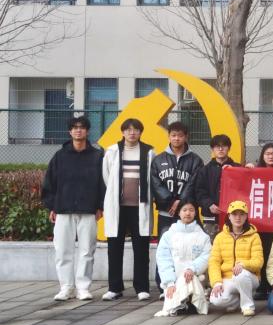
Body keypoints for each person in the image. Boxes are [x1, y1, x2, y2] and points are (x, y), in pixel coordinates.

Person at [43, 115, 105, 301]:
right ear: (69, 132)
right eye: (75, 127)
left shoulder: (97, 156)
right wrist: (52, 206)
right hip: (63, 209)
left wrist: (100, 206)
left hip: (89, 210)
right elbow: (49, 183)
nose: (78, 130)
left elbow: (103, 183)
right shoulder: (60, 156)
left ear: (87, 131)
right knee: (63, 251)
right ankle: (66, 287)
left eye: (82, 127)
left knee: (87, 250)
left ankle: (83, 288)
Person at [101, 118, 155, 302]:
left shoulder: (149, 152)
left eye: (136, 130)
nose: (132, 133)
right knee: (114, 247)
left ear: (141, 132)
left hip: (140, 207)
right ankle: (114, 287)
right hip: (118, 207)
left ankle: (142, 287)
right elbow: (107, 176)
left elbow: (151, 178)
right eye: (128, 130)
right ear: (123, 132)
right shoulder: (112, 151)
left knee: (141, 248)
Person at [151, 121, 205, 292]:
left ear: (186, 137)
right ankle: (164, 286)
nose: (176, 138)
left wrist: (179, 202)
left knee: (190, 248)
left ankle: (189, 284)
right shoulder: (158, 159)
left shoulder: (195, 160)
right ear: (169, 136)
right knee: (165, 248)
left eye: (180, 135)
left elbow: (193, 183)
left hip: (187, 212)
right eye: (173, 135)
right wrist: (169, 201)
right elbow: (156, 184)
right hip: (166, 212)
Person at [154, 200, 211, 317]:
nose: (188, 213)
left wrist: (192, 269)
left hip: (195, 277)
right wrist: (169, 282)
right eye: (184, 210)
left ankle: (191, 302)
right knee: (177, 291)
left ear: (195, 213)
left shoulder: (203, 236)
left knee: (192, 281)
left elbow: (206, 256)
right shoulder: (168, 235)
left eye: (191, 210)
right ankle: (181, 303)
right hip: (175, 280)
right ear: (178, 213)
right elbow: (163, 260)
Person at [245, 142, 273, 298]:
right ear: (262, 156)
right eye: (267, 154)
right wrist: (246, 170)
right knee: (261, 252)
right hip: (260, 222)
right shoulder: (255, 171)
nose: (270, 156)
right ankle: (262, 285)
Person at [209, 200, 264, 316]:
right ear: (229, 216)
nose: (238, 218)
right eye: (234, 214)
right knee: (215, 299)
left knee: (241, 274)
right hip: (228, 278)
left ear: (246, 216)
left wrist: (243, 265)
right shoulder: (220, 237)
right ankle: (237, 301)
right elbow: (214, 262)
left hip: (249, 277)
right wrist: (217, 282)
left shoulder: (254, 236)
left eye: (241, 214)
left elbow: (259, 262)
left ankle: (247, 306)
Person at [194, 134, 239, 237]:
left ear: (229, 148)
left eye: (224, 146)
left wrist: (249, 168)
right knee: (211, 245)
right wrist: (209, 204)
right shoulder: (204, 170)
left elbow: (244, 190)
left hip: (234, 217)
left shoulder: (238, 168)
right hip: (210, 216)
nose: (220, 149)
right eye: (217, 146)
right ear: (212, 149)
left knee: (232, 244)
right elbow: (199, 191)